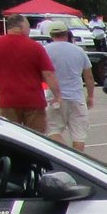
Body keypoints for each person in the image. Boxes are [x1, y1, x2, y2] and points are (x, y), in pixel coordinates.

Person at [0, 15, 59, 133]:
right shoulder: (35, 47)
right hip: (34, 102)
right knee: (36, 139)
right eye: (28, 26)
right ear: (21, 27)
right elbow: (48, 74)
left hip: (7, 101)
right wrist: (57, 95)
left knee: (11, 138)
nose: (29, 30)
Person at [42, 21, 95, 152]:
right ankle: (77, 160)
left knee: (52, 130)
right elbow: (88, 77)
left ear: (51, 35)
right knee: (79, 135)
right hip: (76, 97)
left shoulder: (45, 50)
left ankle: (67, 154)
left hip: (55, 97)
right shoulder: (79, 51)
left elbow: (42, 75)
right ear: (67, 34)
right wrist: (90, 95)